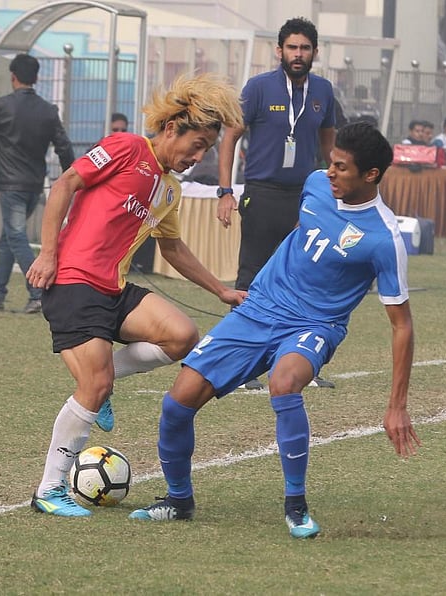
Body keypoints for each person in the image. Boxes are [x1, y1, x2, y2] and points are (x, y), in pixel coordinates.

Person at [128, 122, 420, 538]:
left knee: (284, 383)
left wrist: (396, 405)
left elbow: (402, 325)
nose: (330, 171)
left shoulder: (384, 238)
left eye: (342, 167)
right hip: (260, 307)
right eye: (331, 163)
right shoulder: (317, 184)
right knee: (177, 404)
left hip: (315, 324)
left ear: (371, 175)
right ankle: (178, 500)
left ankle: (295, 505)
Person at [24, 73, 247, 517]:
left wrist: (222, 290)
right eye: (196, 145)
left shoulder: (170, 188)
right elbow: (64, 184)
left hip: (114, 288)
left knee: (182, 336)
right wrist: (48, 254)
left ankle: (102, 384)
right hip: (72, 281)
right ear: (170, 130)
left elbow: (173, 249)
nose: (199, 156)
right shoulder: (127, 147)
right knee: (95, 382)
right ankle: (49, 490)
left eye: (206, 149)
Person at [216, 16, 337, 390]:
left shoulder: (323, 91)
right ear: (279, 50)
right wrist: (225, 191)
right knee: (252, 275)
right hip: (262, 192)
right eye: (292, 47)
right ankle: (236, 365)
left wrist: (335, 192)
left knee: (304, 279)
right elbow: (230, 138)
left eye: (304, 48)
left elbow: (330, 144)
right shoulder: (259, 87)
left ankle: (296, 364)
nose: (298, 54)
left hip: (305, 197)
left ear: (315, 52)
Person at [0, 53, 75, 314]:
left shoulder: (0, 106)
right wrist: (73, 176)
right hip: (35, 183)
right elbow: (63, 146)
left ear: (13, 77)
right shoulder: (48, 110)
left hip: (10, 184)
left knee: (15, 236)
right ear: (36, 78)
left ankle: (38, 292)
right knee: (7, 240)